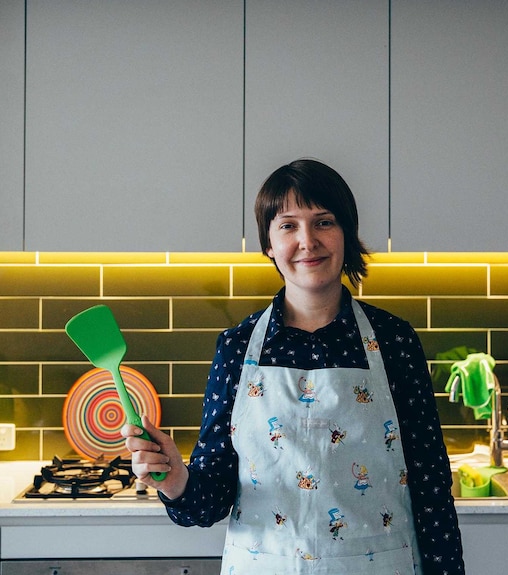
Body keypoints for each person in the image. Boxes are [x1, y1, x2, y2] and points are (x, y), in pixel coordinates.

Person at [123, 158, 465, 574]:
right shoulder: (236, 348)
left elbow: (431, 485)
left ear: (347, 234)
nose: (308, 240)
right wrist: (176, 478)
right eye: (288, 225)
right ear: (268, 243)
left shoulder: (393, 341)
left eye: (324, 222)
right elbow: (208, 501)